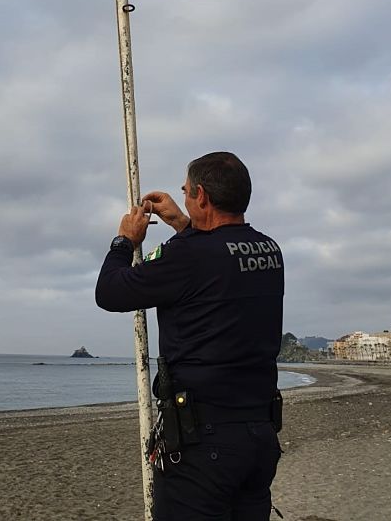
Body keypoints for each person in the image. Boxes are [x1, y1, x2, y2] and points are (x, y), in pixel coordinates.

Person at [95, 151, 284, 521]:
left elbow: (111, 292)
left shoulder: (188, 256)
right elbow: (218, 262)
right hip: (259, 435)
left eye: (186, 190)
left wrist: (125, 242)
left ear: (202, 197)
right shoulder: (269, 250)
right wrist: (183, 224)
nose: (181, 193)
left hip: (205, 443)